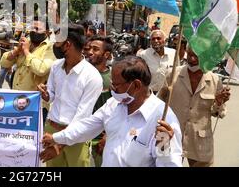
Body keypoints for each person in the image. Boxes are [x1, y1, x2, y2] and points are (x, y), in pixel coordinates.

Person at [40, 56, 183, 167]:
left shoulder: (163, 119)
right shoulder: (113, 105)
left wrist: (164, 148)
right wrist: (56, 138)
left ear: (136, 85)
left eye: (116, 85)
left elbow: (169, 163)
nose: (112, 89)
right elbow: (86, 127)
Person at [37, 24, 103, 167]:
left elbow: (82, 117)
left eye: (57, 42)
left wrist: (59, 144)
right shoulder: (56, 66)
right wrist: (46, 94)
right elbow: (52, 95)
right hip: (52, 130)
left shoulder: (92, 77)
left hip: (76, 137)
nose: (54, 45)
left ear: (67, 44)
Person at [158, 47, 230, 167]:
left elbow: (219, 113)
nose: (191, 59)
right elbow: (159, 102)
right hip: (170, 135)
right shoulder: (173, 74)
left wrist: (219, 102)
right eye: (190, 54)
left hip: (200, 140)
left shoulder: (214, 80)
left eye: (196, 56)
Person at [84, 35, 113, 167]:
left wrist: (108, 135)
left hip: (101, 140)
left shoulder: (113, 79)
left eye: (95, 49)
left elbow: (117, 109)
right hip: (81, 136)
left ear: (106, 55)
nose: (90, 52)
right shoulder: (81, 73)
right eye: (89, 48)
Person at [137, 30, 175, 94]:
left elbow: (177, 72)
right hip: (150, 94)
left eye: (158, 38)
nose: (156, 41)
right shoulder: (143, 55)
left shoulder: (173, 53)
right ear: (150, 41)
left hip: (168, 94)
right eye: (153, 39)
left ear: (165, 41)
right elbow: (139, 75)